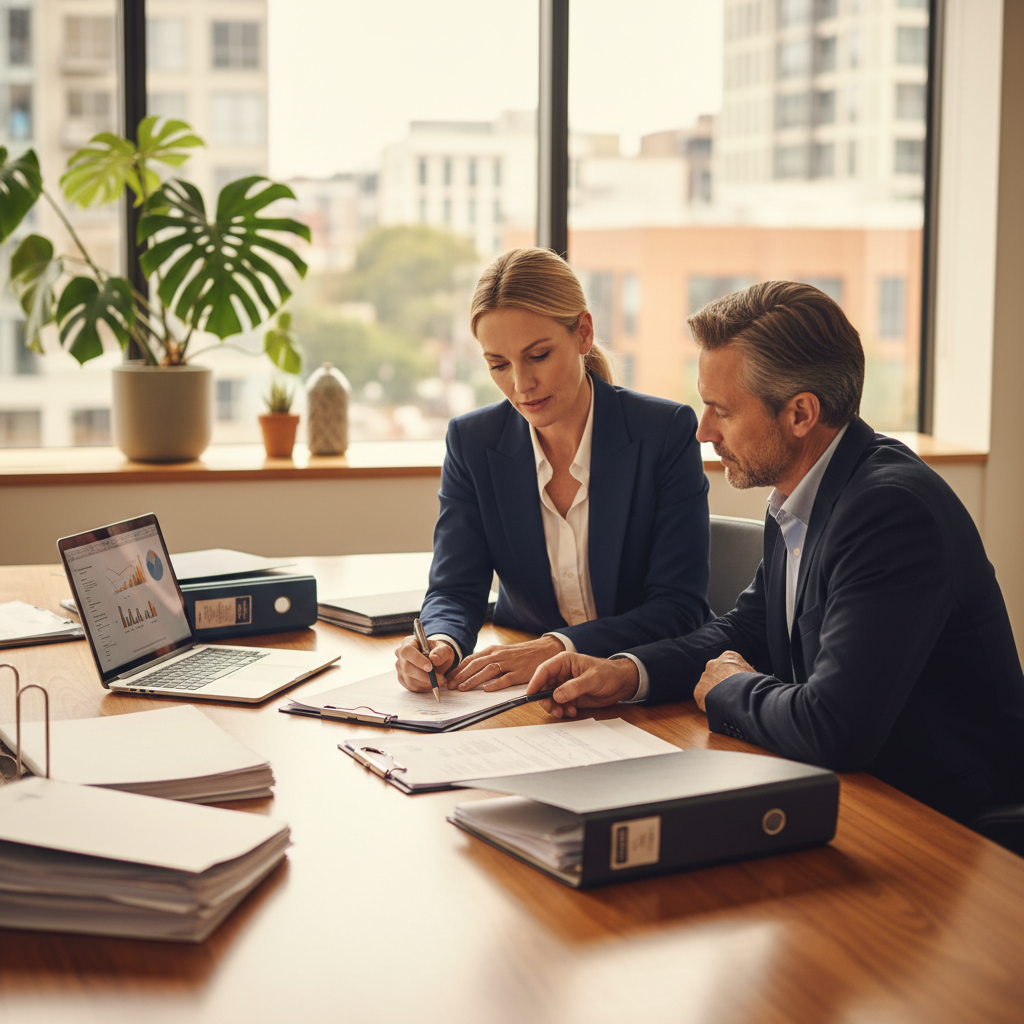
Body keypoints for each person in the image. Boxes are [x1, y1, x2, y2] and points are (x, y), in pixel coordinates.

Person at [527, 280, 1024, 826]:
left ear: (801, 414)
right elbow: (746, 631)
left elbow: (834, 728)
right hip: (859, 795)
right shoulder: (798, 491)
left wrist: (732, 689)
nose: (703, 430)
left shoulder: (889, 513)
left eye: (722, 410)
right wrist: (626, 673)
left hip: (950, 827)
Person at [396, 247, 711, 694]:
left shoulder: (663, 433)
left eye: (539, 355)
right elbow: (454, 588)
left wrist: (556, 648)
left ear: (583, 333)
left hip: (644, 689)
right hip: (527, 696)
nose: (521, 385)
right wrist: (441, 642)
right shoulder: (473, 442)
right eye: (498, 365)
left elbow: (679, 608)